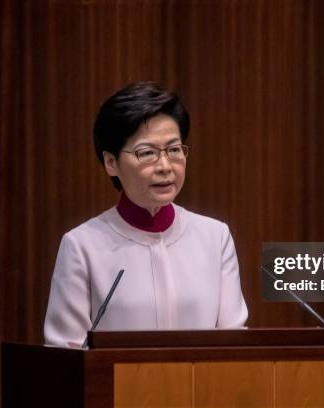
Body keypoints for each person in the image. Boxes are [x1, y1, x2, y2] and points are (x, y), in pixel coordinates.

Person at [44, 82, 248, 347]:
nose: (165, 166)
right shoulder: (82, 246)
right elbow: (64, 354)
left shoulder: (214, 237)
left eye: (174, 149)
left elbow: (233, 343)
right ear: (111, 162)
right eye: (147, 153)